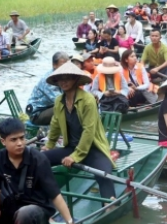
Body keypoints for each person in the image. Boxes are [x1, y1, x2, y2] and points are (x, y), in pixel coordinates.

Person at [42, 64, 116, 198]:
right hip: (71, 147)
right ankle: (46, 194)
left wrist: (75, 157)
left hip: (93, 149)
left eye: (67, 78)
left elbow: (89, 131)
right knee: (40, 160)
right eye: (60, 79)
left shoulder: (87, 100)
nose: (63, 82)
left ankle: (110, 204)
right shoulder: (59, 100)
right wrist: (49, 145)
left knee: (104, 175)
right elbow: (55, 124)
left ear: (75, 79)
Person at [25, 51, 69, 126]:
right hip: (37, 114)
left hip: (48, 107)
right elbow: (60, 101)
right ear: (54, 65)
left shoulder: (61, 76)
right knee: (64, 109)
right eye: (62, 65)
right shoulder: (49, 79)